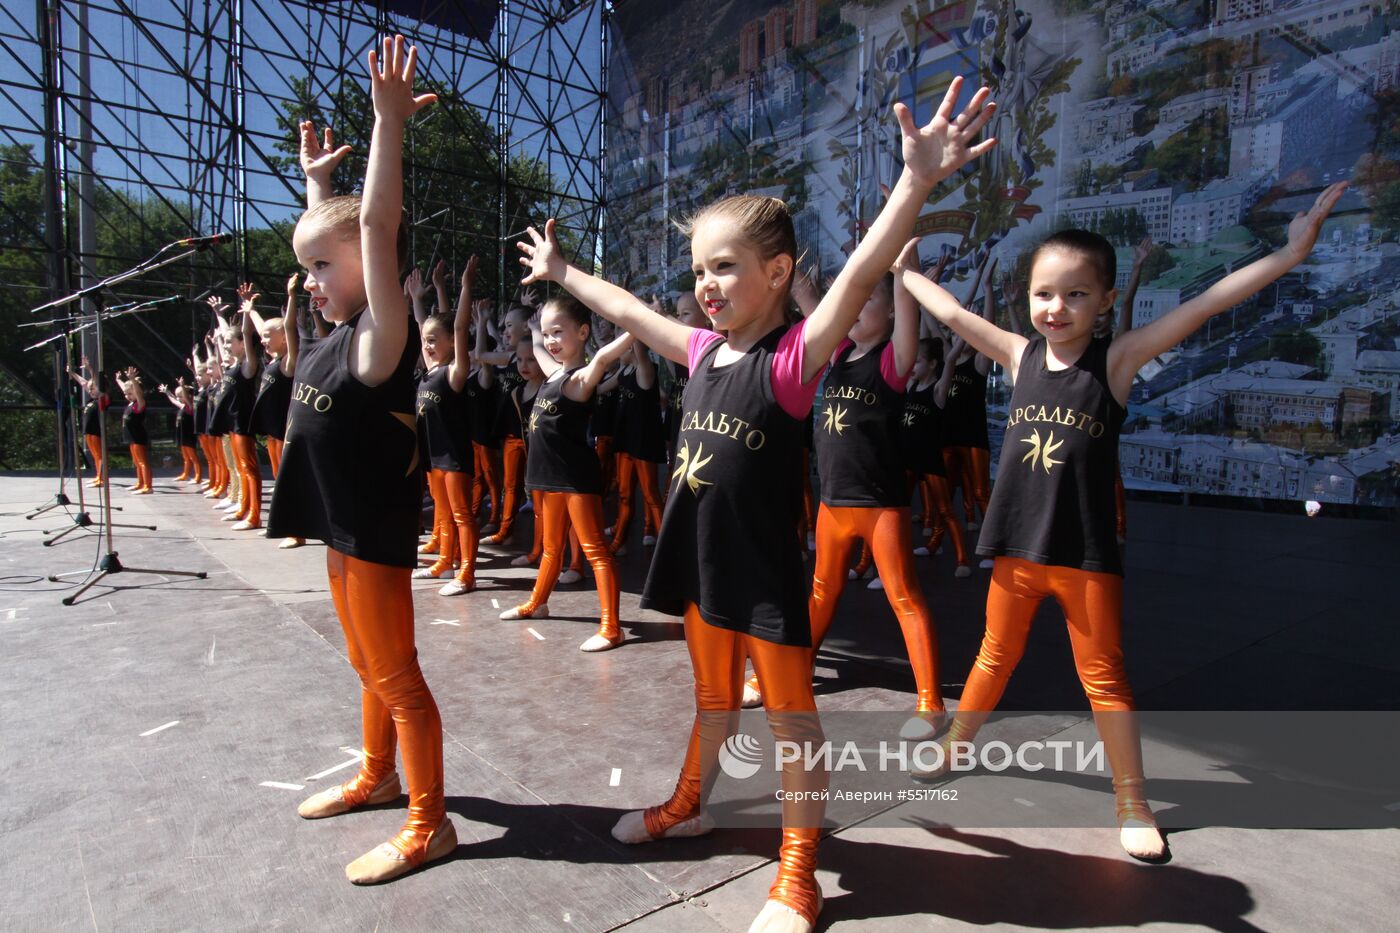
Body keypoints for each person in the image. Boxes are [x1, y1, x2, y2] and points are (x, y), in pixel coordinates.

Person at [515, 76, 996, 933]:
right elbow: (626, 306)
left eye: (725, 266)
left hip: (765, 571)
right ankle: (691, 802)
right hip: (700, 564)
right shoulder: (701, 351)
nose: (706, 283)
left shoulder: (792, 360)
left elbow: (854, 276)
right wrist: (563, 272)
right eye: (699, 268)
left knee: (788, 720)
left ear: (777, 274)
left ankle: (800, 872)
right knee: (711, 702)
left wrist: (915, 181)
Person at [896, 182, 1348, 862]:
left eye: (1077, 294)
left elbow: (1205, 304)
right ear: (1029, 299)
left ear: (1106, 302)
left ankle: (1133, 800)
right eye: (1045, 293)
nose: (1057, 307)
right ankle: (957, 745)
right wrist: (902, 275)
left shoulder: (1118, 360)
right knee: (993, 656)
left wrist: (1287, 256)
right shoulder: (1019, 356)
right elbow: (955, 314)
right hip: (1018, 549)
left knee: (1103, 678)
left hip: (1083, 556)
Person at [267, 38, 455, 884]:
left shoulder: (382, 338)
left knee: (398, 676)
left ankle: (429, 822)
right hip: (338, 532)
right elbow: (339, 234)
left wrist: (388, 130)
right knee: (363, 664)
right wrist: (315, 189)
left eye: (317, 271)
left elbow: (371, 227)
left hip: (372, 535)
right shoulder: (337, 330)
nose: (307, 282)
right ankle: (379, 778)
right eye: (302, 270)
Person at [498, 297, 633, 653]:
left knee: (595, 552)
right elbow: (539, 344)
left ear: (583, 332)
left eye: (559, 332)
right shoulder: (552, 371)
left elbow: (604, 359)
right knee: (550, 550)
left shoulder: (579, 378)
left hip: (576, 481)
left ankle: (611, 627)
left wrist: (638, 325)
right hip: (546, 480)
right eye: (548, 334)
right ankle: (537, 603)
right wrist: (532, 324)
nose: (552, 340)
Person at [412, 258, 483, 597]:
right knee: (442, 513)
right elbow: (423, 325)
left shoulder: (453, 373)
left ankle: (467, 572)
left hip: (454, 457)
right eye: (425, 341)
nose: (427, 345)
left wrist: (465, 287)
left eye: (432, 340)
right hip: (433, 457)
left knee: (461, 515)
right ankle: (445, 561)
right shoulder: (428, 369)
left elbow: (456, 327)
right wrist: (419, 298)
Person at [68, 356, 109, 487]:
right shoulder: (92, 400)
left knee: (99, 454)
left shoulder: (103, 399)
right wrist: (72, 373)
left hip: (96, 431)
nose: (90, 390)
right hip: (88, 431)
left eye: (93, 388)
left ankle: (101, 478)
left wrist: (90, 369)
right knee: (95, 455)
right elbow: (84, 383)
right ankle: (98, 476)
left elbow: (96, 384)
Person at [112, 366, 152, 494]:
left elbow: (138, 393)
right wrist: (119, 380)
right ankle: (140, 483)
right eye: (126, 394)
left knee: (142, 462)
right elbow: (125, 387)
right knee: (136, 461)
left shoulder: (139, 404)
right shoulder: (130, 404)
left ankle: (148, 486)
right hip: (131, 438)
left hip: (138, 437)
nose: (127, 396)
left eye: (130, 394)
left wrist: (133, 380)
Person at [157, 378, 200, 483]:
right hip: (182, 436)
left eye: (181, 396)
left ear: (188, 395)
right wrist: (167, 392)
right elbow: (173, 400)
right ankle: (185, 474)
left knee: (193, 457)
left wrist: (182, 386)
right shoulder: (182, 406)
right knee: (185, 457)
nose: (179, 398)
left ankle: (197, 476)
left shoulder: (190, 407)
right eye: (178, 396)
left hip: (188, 436)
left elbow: (186, 398)